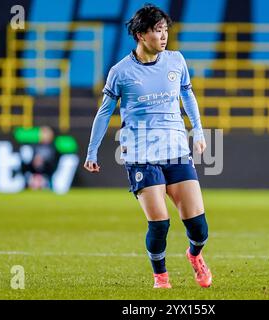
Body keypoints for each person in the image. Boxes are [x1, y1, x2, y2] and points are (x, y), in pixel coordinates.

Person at [84, 4, 212, 289]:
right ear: (141, 35)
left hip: (177, 150)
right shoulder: (121, 72)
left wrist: (199, 131)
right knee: (160, 224)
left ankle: (195, 255)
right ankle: (161, 277)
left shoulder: (176, 61)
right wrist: (92, 151)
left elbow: (188, 97)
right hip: (141, 155)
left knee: (200, 230)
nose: (164, 36)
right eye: (157, 31)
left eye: (165, 30)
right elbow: (104, 113)